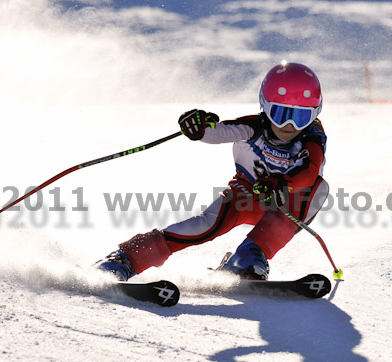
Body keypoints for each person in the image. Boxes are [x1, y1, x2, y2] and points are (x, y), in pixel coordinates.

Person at [93, 62, 329, 281]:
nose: (289, 126)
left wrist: (283, 184)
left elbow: (309, 171)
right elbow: (220, 132)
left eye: (301, 117)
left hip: (284, 202)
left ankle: (248, 257)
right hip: (245, 196)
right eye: (280, 114)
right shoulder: (254, 127)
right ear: (265, 106)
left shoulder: (312, 140)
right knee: (205, 226)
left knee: (318, 189)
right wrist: (199, 128)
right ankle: (126, 259)